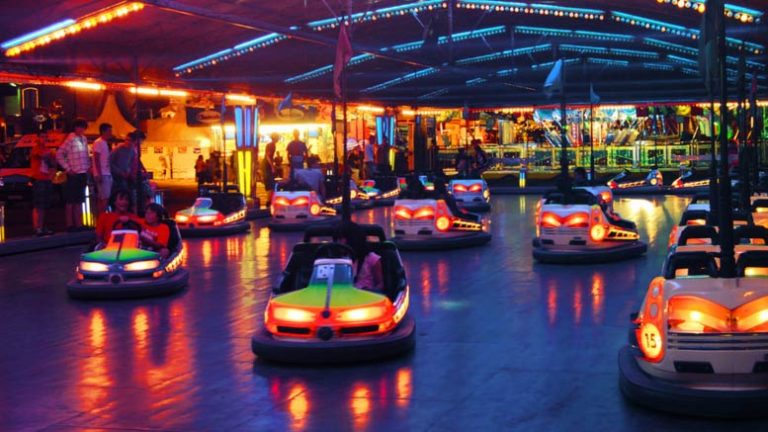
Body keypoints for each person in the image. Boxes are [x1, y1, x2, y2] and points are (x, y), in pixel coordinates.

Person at [56, 118, 91, 232]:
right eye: (79, 127)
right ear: (75, 128)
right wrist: (68, 168)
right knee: (71, 200)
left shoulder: (84, 139)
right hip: (74, 174)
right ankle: (70, 225)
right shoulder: (70, 139)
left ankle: (79, 224)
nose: (81, 129)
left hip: (82, 172)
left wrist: (88, 167)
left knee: (79, 200)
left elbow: (86, 155)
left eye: (83, 127)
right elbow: (59, 154)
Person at [338, 222, 383, 292]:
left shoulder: (371, 259)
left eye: (342, 239)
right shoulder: (340, 259)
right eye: (339, 239)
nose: (340, 242)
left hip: (365, 296)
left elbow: (380, 284)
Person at [30, 129, 55, 236]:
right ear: (38, 138)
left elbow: (53, 162)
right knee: (38, 204)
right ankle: (37, 227)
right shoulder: (35, 149)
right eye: (42, 136)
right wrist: (50, 154)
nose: (44, 139)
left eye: (45, 137)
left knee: (44, 205)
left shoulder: (47, 150)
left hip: (46, 178)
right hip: (38, 178)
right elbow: (41, 156)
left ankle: (41, 226)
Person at [92, 123, 113, 216]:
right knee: (104, 197)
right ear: (103, 131)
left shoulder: (104, 143)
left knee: (103, 197)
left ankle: (101, 218)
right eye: (109, 131)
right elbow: (96, 158)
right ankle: (102, 218)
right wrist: (99, 173)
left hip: (106, 172)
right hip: (103, 173)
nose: (110, 133)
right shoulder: (98, 142)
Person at [261, 133, 278, 206]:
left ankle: (269, 200)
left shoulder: (271, 144)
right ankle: (269, 201)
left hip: (266, 165)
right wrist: (272, 166)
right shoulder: (272, 145)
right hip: (267, 165)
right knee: (270, 183)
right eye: (277, 137)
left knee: (270, 183)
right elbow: (268, 156)